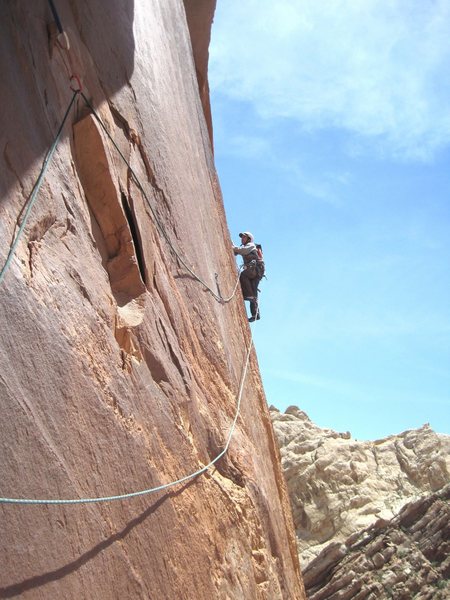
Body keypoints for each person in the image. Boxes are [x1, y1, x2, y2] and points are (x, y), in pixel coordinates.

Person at [232, 231, 265, 322]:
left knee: (243, 275)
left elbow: (242, 251)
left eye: (244, 237)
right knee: (253, 294)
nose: (242, 239)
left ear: (249, 239)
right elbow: (237, 252)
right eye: (242, 237)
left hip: (255, 270)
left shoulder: (251, 245)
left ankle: (250, 296)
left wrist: (233, 247)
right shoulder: (247, 246)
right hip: (257, 271)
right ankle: (255, 315)